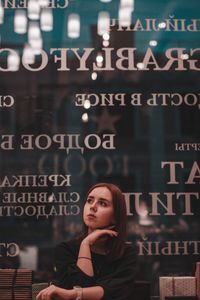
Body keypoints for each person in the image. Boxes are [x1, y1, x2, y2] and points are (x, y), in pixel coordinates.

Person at [37, 182, 138, 300]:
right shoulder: (65, 249)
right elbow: (78, 285)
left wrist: (72, 294)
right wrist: (85, 244)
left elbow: (113, 291)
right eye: (89, 200)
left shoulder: (126, 253)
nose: (93, 206)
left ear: (115, 216)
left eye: (102, 203)